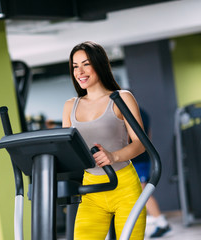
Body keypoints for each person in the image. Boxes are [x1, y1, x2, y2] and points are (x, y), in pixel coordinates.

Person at [62, 41, 146, 239]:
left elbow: (140, 143)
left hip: (124, 186)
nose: (79, 71)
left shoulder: (121, 98)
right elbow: (68, 149)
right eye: (75, 66)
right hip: (91, 189)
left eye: (86, 64)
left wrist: (113, 156)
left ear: (99, 64)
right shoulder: (70, 106)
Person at [132, 108, 171, 238]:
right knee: (139, 192)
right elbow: (149, 135)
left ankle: (161, 222)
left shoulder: (132, 113)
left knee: (143, 191)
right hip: (141, 156)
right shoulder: (143, 112)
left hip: (137, 158)